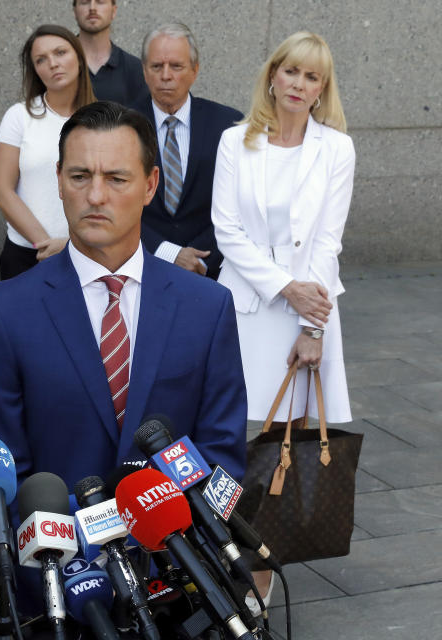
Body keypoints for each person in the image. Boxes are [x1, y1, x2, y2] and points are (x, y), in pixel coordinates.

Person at [0, 100, 247, 497]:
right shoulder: (5, 312)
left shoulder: (208, 306)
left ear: (150, 185)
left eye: (116, 179)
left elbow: (224, 458)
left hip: (174, 552)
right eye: (80, 176)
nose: (96, 195)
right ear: (60, 181)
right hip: (57, 554)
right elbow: (1, 474)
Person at [211, 31, 354, 606]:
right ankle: (211, 555)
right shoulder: (233, 141)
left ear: (322, 89)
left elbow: (327, 241)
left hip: (307, 317)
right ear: (273, 75)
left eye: (312, 76)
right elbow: (227, 230)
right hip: (246, 307)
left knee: (281, 449)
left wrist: (311, 323)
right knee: (225, 436)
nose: (299, 84)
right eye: (291, 72)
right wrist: (284, 287)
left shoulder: (336, 149)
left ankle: (261, 572)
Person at [133, 23, 242, 279]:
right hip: (141, 265)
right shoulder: (121, 125)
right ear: (145, 71)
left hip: (211, 270)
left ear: (195, 70)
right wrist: (169, 253)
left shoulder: (229, 125)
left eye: (177, 66)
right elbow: (114, 202)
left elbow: (242, 204)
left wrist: (202, 259)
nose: (166, 75)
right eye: (157, 66)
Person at [0, 25, 96, 280]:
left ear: (79, 58)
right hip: (28, 255)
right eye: (41, 59)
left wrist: (71, 245)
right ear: (36, 70)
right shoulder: (19, 116)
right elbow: (3, 192)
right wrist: (45, 244)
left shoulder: (103, 120)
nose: (52, 63)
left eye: (60, 52)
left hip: (88, 253)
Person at [72, 0, 149, 106]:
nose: (92, 8)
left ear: (113, 11)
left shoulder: (136, 70)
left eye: (100, 2)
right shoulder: (57, 65)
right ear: (75, 11)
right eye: (85, 2)